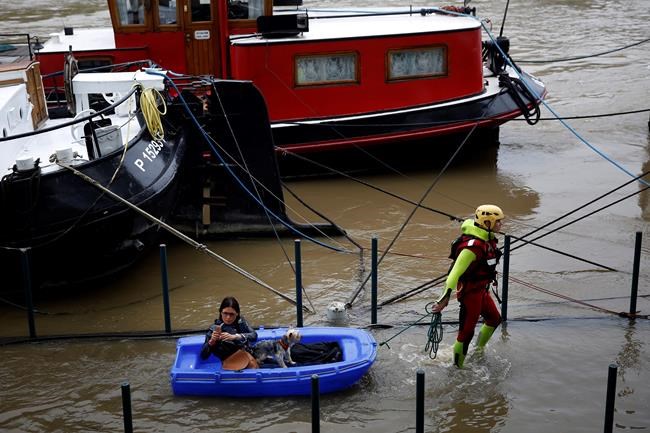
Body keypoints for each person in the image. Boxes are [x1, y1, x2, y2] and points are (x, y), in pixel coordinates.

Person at [431, 204, 504, 368]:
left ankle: (478, 350)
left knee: (494, 319)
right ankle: (458, 368)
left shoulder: (487, 239)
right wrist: (444, 299)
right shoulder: (472, 248)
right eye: (498, 222)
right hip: (470, 294)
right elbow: (454, 274)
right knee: (466, 334)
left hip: (482, 291)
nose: (501, 225)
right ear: (486, 223)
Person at [200, 296, 259, 369]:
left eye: (232, 314)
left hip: (247, 351)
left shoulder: (240, 322)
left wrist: (236, 336)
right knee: (252, 365)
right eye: (225, 313)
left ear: (237, 313)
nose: (228, 317)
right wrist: (211, 342)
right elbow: (203, 356)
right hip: (230, 359)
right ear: (221, 312)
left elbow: (254, 336)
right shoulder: (214, 329)